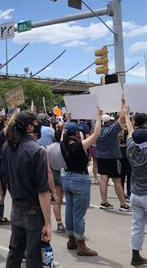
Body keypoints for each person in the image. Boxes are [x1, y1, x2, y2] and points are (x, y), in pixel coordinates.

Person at [1, 111, 51, 267]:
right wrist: (48, 223)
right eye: (36, 123)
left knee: (15, 252)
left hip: (16, 206)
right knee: (34, 256)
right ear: (30, 127)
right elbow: (43, 191)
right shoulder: (38, 151)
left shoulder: (7, 147)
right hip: (34, 209)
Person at [61, 109, 103, 257]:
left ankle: (71, 240)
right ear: (75, 134)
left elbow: (64, 131)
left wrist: (68, 119)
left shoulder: (62, 143)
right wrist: (98, 117)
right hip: (80, 179)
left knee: (69, 211)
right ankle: (81, 244)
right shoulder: (79, 146)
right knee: (78, 214)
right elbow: (96, 134)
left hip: (67, 177)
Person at [96, 97, 131, 211]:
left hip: (101, 158)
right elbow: (121, 118)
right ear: (109, 122)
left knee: (103, 180)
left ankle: (104, 202)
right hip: (113, 158)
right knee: (117, 180)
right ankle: (123, 204)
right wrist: (123, 103)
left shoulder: (96, 131)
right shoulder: (111, 130)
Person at [125, 112, 147, 266]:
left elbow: (131, 133)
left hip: (135, 193)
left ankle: (135, 256)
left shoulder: (130, 147)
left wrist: (127, 116)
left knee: (137, 226)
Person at [46, 127, 67, 234]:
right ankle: (70, 224)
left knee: (57, 199)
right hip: (66, 173)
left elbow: (47, 164)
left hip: (54, 173)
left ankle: (59, 224)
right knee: (70, 200)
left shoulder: (48, 148)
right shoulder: (66, 147)